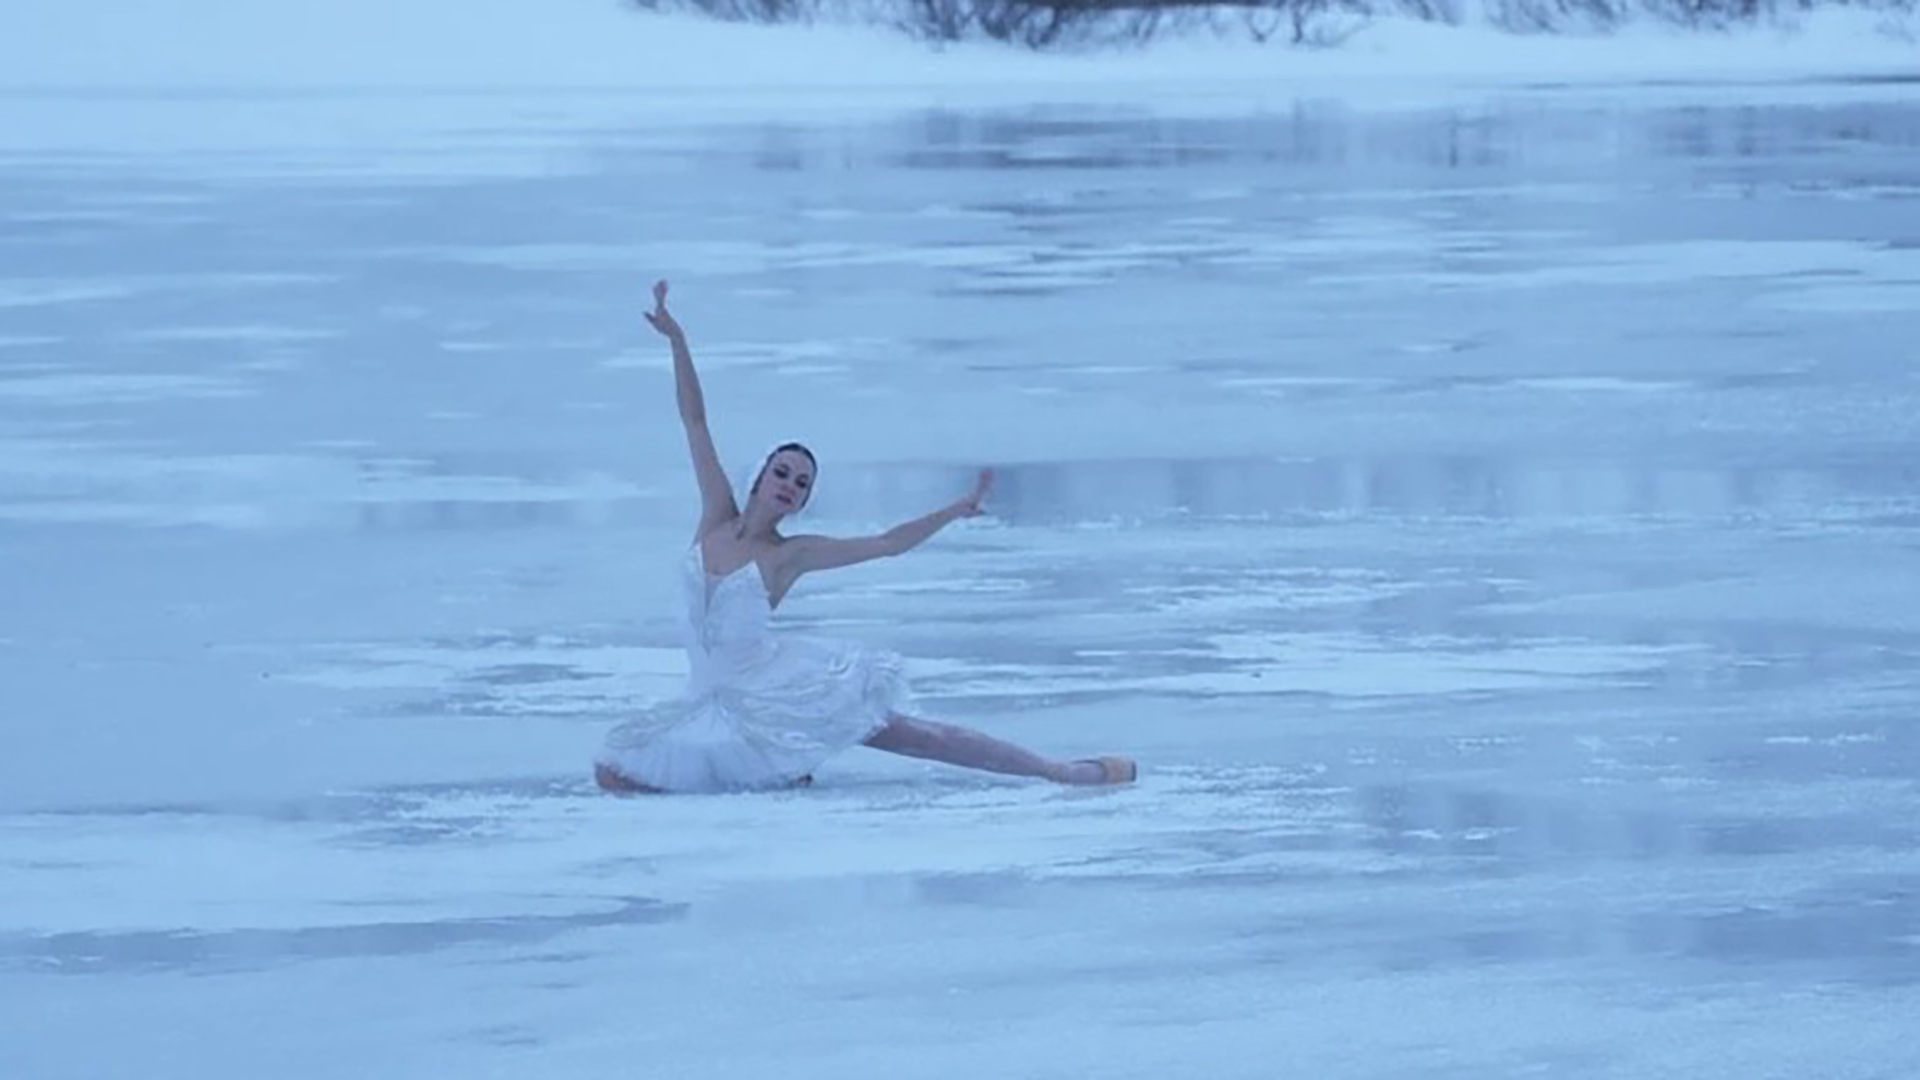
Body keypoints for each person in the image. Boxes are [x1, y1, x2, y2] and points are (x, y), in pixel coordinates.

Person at [593, 280, 1138, 794]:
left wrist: (952, 510)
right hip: (709, 705)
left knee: (919, 737)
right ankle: (784, 768)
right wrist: (678, 341)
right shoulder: (715, 515)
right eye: (782, 473)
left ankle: (1067, 772)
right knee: (616, 772)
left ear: (803, 502)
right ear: (759, 477)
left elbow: (886, 544)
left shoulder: (789, 556)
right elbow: (694, 422)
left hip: (780, 694)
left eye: (802, 484)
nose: (790, 486)